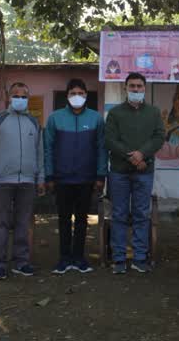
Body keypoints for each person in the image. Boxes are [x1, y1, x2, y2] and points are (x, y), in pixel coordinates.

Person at [0, 82, 45, 280]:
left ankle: (21, 262)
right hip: (1, 181)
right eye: (16, 95)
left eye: (24, 96)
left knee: (23, 223)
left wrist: (40, 177)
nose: (20, 99)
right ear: (8, 98)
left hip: (27, 181)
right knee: (2, 223)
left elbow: (40, 153)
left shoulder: (34, 122)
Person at [44, 78, 108, 274]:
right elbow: (48, 149)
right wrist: (49, 176)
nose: (77, 97)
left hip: (86, 178)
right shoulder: (55, 118)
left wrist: (100, 175)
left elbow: (101, 148)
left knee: (82, 219)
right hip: (62, 178)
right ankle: (64, 258)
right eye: (73, 93)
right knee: (63, 219)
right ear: (67, 95)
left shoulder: (96, 118)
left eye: (81, 93)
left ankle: (79, 258)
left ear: (86, 96)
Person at [105, 72, 165, 274]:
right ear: (125, 88)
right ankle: (119, 259)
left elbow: (159, 137)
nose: (136, 90)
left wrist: (143, 155)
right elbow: (110, 140)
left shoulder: (154, 113)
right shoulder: (115, 114)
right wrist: (132, 157)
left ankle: (140, 258)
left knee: (141, 214)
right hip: (120, 172)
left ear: (144, 89)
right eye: (132, 86)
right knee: (119, 214)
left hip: (144, 171)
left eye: (139, 86)